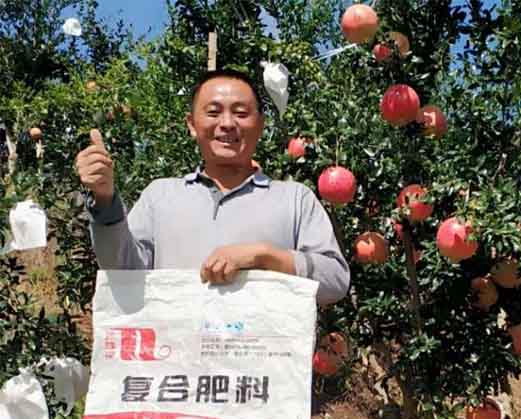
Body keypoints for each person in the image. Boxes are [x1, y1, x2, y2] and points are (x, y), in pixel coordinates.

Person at [74, 69, 349, 305]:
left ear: (261, 125)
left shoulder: (294, 199)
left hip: (262, 364)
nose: (227, 124)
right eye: (213, 112)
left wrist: (265, 257)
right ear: (192, 125)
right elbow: (123, 272)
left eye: (241, 113)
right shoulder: (160, 196)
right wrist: (104, 199)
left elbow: (335, 279)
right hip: (177, 361)